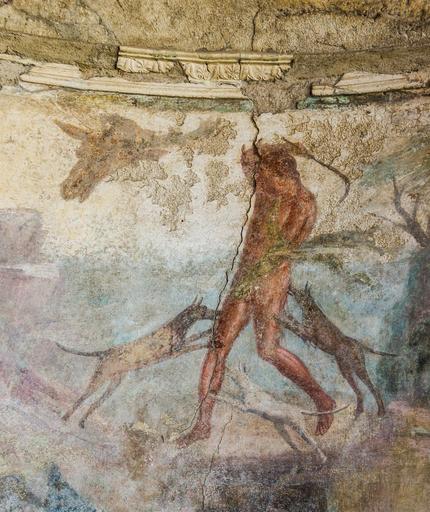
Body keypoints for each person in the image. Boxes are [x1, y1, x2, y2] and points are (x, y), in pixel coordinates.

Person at [179, 143, 335, 447]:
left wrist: (259, 277)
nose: (253, 179)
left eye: (259, 173)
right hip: (246, 276)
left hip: (271, 282)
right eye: (252, 172)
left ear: (280, 174)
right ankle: (202, 424)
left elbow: (282, 252)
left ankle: (321, 398)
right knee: (217, 347)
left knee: (268, 350)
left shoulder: (303, 203)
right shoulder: (266, 191)